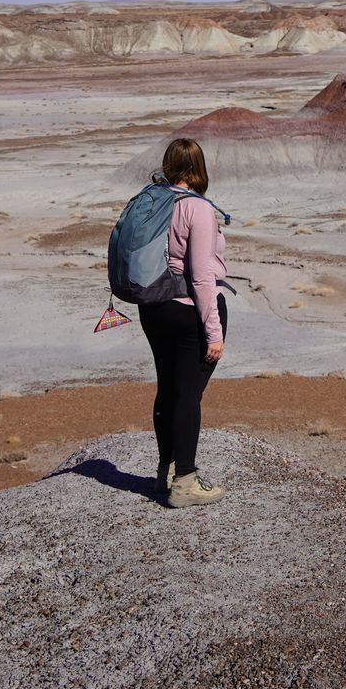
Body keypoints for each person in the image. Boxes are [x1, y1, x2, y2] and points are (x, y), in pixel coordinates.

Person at [139, 136, 229, 507]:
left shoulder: (152, 201)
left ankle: (164, 472)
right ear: (198, 169)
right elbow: (202, 276)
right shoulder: (198, 209)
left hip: (152, 308)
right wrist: (214, 332)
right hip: (186, 309)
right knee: (188, 394)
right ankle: (186, 482)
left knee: (167, 386)